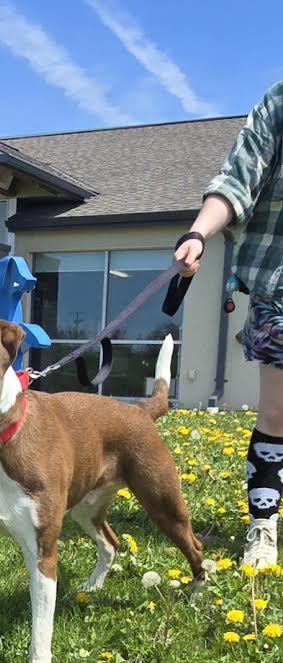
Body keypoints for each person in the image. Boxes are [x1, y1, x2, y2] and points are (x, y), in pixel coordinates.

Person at [175, 81, 283, 570]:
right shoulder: (279, 103)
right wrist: (198, 233)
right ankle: (263, 526)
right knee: (277, 412)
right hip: (278, 282)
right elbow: (239, 178)